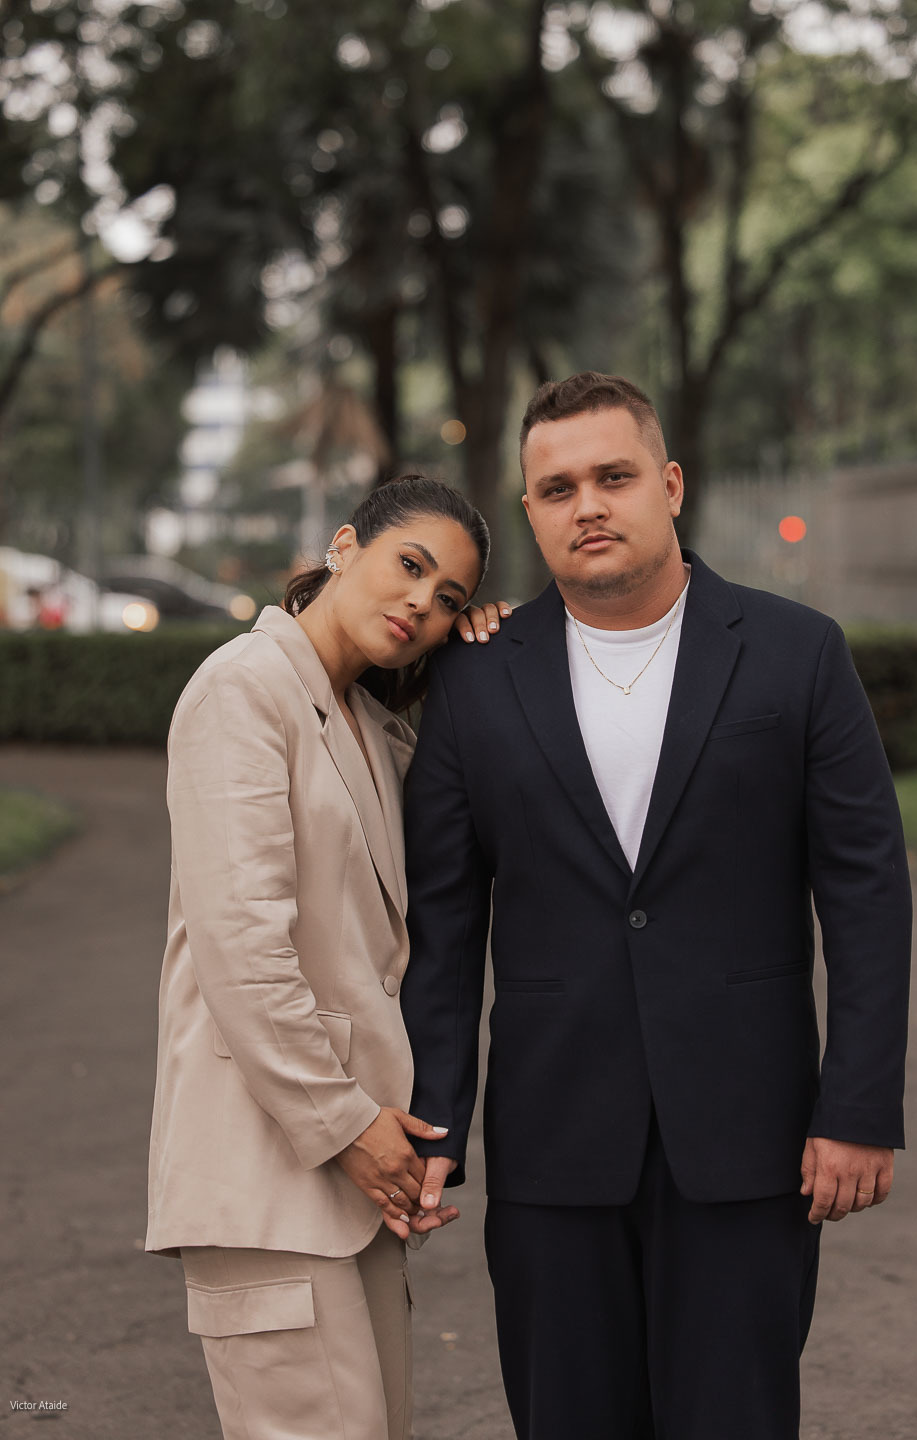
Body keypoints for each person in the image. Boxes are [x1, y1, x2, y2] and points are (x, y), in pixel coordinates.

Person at [400, 373, 913, 1440]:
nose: (587, 503)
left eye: (613, 476)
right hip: (553, 1146)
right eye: (557, 487)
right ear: (531, 515)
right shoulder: (475, 680)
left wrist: (857, 1109)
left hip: (750, 1142)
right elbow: (443, 929)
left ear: (669, 485)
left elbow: (866, 895)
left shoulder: (796, 652)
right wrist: (432, 1121)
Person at [145, 474, 508, 1440]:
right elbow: (244, 951)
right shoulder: (242, 689)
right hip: (269, 1163)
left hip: (350, 1174)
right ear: (346, 544)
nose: (422, 606)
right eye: (411, 566)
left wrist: (498, 654)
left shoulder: (378, 726)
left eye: (449, 601)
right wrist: (350, 1127)